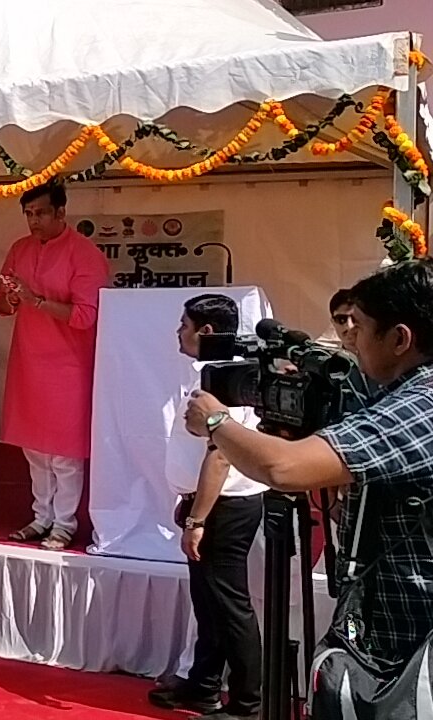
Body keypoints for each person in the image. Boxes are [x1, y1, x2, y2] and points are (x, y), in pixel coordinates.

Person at [186, 259, 433, 695]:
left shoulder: (423, 402)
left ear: (399, 339)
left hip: (413, 640)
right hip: (387, 627)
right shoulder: (389, 391)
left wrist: (216, 422)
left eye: (359, 328)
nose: (350, 341)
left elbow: (284, 467)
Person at [148, 295, 264, 718]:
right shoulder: (208, 372)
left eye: (184, 324)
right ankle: (203, 685)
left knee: (230, 605)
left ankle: (249, 704)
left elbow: (221, 455)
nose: (178, 332)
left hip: (225, 504)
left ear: (207, 332)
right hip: (206, 502)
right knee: (209, 603)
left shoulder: (226, 380)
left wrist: (198, 518)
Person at [0, 182, 109, 550]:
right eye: (28, 214)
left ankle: (64, 523)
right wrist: (10, 298)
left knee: (64, 453)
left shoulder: (84, 254)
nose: (34, 221)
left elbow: (85, 316)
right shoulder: (19, 248)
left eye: (41, 213)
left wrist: (37, 300)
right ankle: (40, 516)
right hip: (28, 361)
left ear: (61, 212)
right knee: (34, 449)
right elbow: (1, 305)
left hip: (68, 367)